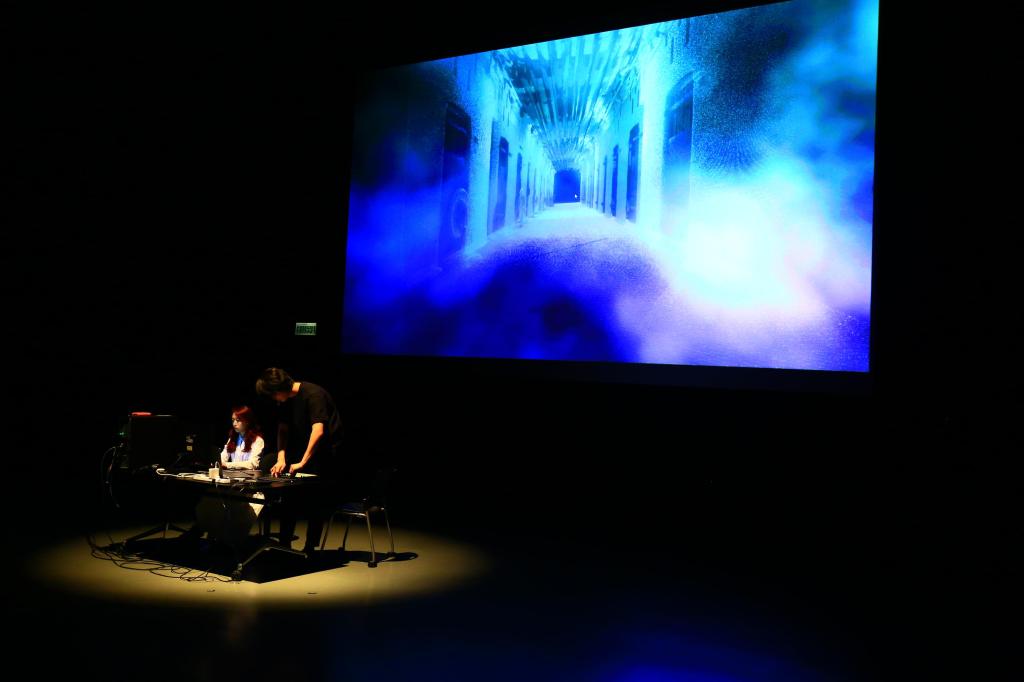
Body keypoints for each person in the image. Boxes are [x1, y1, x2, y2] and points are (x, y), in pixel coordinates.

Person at [255, 367, 343, 553]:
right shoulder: (286, 401)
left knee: (315, 502)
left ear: (278, 389)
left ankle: (310, 548)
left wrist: (303, 462)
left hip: (324, 454)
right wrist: (281, 457)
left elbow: (318, 431)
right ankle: (284, 545)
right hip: (300, 451)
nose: (274, 400)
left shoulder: (313, 394)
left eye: (273, 395)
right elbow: (283, 430)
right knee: (289, 498)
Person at [220, 405, 265, 470]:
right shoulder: (232, 438)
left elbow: (253, 464)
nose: (234, 424)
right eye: (233, 420)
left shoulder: (258, 440)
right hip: (233, 475)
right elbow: (223, 458)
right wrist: (218, 462)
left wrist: (228, 465)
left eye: (238, 420)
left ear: (247, 421)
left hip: (249, 476)